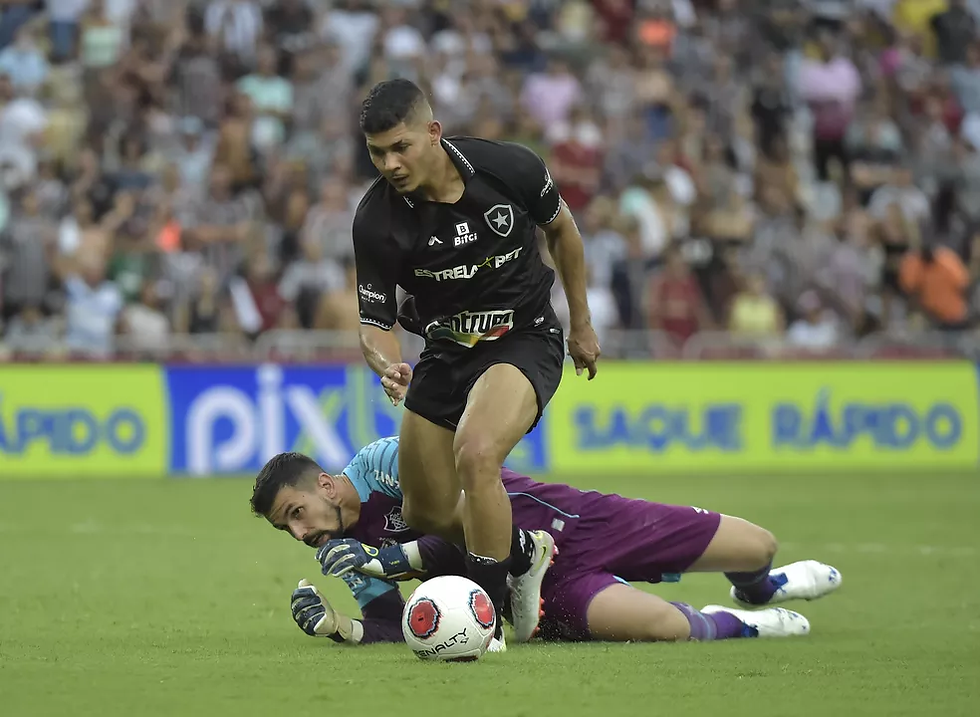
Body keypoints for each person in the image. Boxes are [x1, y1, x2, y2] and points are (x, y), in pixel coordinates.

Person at [350, 78, 601, 648]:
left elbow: (563, 230)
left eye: (400, 147)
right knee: (428, 509)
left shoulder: (507, 168)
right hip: (445, 351)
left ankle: (484, 614)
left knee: (478, 449)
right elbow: (374, 322)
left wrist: (581, 323)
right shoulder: (377, 220)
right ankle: (524, 554)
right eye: (376, 152)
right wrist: (385, 363)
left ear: (433, 133)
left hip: (525, 337)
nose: (389, 163)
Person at [250, 439, 841, 647]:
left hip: (573, 521)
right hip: (530, 589)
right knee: (668, 627)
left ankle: (764, 588)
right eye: (288, 529)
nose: (302, 534)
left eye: (298, 513)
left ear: (325, 484)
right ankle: (746, 624)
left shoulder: (386, 464)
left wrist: (385, 557)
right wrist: (337, 628)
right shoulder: (345, 553)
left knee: (758, 545)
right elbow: (386, 623)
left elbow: (470, 525)